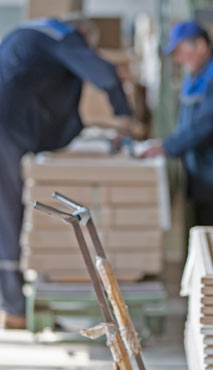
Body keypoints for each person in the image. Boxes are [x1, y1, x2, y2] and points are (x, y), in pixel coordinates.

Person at [0, 16, 133, 328]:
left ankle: (12, 303)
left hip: (9, 122)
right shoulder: (66, 35)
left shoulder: (31, 32)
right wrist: (124, 117)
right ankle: (14, 307)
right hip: (5, 128)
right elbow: (105, 74)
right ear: (84, 34)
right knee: (6, 214)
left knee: (5, 211)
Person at [145, 21, 213, 227]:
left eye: (180, 52)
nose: (178, 59)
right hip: (205, 174)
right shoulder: (197, 76)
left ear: (201, 46)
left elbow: (209, 123)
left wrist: (168, 146)